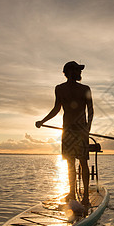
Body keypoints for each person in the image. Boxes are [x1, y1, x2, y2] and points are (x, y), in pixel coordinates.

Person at [36, 61, 93, 206]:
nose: (80, 73)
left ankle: (86, 196)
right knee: (70, 164)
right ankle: (72, 193)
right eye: (77, 70)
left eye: (80, 71)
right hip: (67, 130)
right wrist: (42, 121)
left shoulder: (85, 88)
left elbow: (91, 110)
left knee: (83, 163)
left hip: (81, 131)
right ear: (68, 72)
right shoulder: (59, 89)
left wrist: (88, 128)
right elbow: (56, 108)